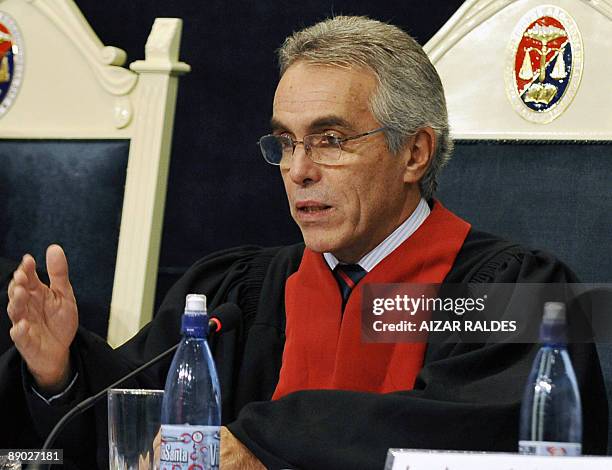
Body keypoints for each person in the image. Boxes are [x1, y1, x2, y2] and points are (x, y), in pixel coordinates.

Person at [1, 15, 607, 469]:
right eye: (285, 143)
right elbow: (131, 421)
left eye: (331, 139)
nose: (299, 169)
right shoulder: (236, 296)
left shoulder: (517, 291)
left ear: (415, 153)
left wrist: (268, 444)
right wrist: (59, 371)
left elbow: (477, 434)